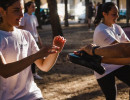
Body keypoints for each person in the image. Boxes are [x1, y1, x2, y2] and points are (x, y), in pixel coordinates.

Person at [0, 0, 66, 100]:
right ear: (2, 11)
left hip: (33, 96)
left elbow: (44, 66)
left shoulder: (26, 35)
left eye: (22, 10)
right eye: (16, 10)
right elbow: (4, 71)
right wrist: (36, 55)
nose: (22, 15)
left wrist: (56, 51)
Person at [81, 2, 130, 100]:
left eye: (117, 13)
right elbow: (120, 49)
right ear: (104, 14)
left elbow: (127, 44)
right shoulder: (101, 30)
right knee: (111, 97)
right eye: (114, 14)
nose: (117, 16)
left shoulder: (117, 27)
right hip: (104, 68)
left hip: (119, 64)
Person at [19, 1, 43, 80]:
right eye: (32, 6)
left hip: (34, 40)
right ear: (28, 7)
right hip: (26, 41)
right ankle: (27, 74)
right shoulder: (24, 17)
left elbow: (35, 29)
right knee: (28, 57)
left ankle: (34, 73)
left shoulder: (34, 17)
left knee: (35, 57)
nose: (34, 8)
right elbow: (21, 29)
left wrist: (39, 40)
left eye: (35, 6)